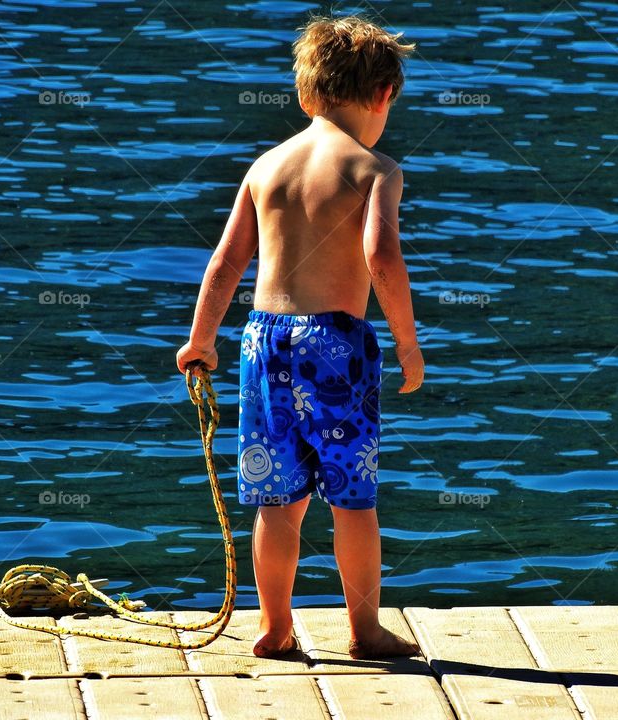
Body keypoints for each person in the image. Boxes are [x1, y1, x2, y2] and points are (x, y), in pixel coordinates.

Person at [176, 14, 424, 660]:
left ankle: (276, 625)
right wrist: (406, 343)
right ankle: (364, 629)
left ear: (306, 93)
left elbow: (226, 263)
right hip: (336, 346)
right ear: (383, 96)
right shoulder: (375, 169)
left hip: (264, 343)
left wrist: (202, 339)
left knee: (277, 500)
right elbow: (383, 258)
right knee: (352, 499)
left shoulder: (267, 166)